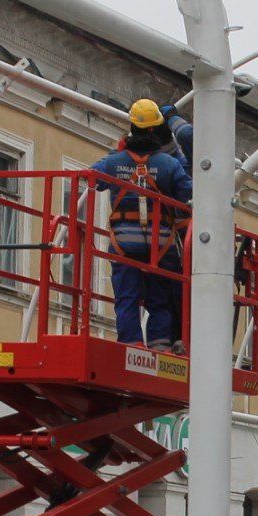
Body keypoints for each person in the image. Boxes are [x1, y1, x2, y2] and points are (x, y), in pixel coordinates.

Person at [90, 99, 193, 350]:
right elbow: (187, 194)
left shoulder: (113, 162)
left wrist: (119, 159)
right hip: (161, 245)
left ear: (132, 128)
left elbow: (92, 178)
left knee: (127, 296)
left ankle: (131, 342)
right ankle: (160, 345)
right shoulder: (169, 165)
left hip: (124, 244)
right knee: (160, 299)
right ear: (154, 130)